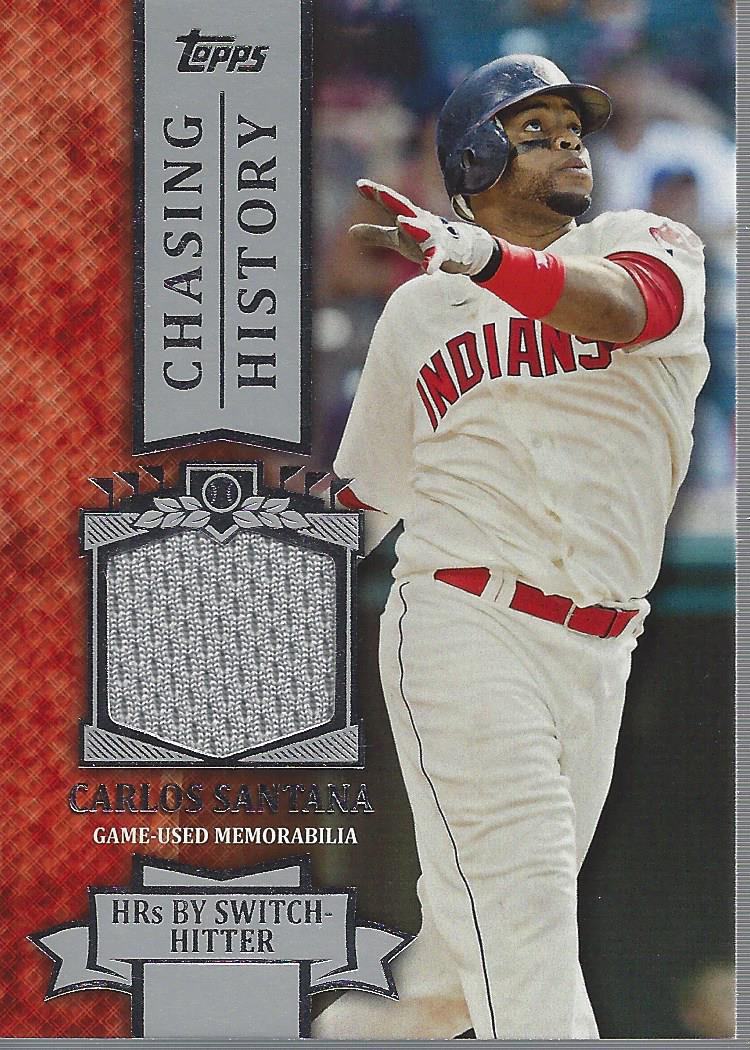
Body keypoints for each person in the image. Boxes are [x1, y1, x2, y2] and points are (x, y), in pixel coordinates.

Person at [313, 54, 708, 1040]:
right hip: (465, 622)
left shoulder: (644, 242)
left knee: (462, 968)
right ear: (474, 162)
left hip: (600, 648)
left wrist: (481, 258)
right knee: (525, 922)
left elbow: (633, 311)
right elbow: (365, 493)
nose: (569, 142)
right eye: (534, 131)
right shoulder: (419, 312)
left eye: (573, 128)